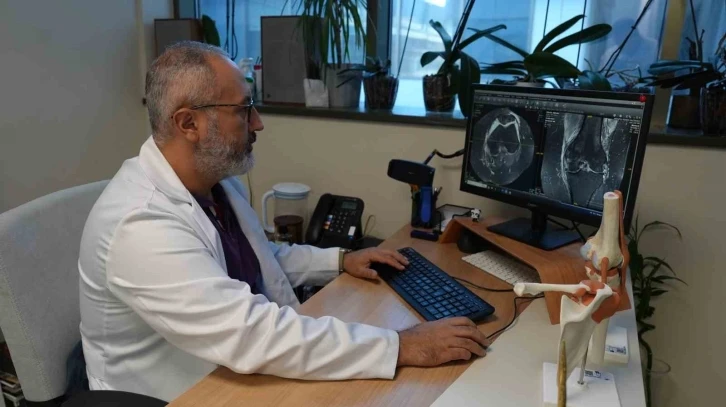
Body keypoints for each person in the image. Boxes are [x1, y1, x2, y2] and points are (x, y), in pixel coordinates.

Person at [78, 41, 490, 402]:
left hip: (228, 365)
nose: (258, 123)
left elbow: (260, 256)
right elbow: (248, 333)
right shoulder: (141, 225)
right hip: (176, 392)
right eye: (244, 110)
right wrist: (399, 346)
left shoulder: (214, 183)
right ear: (189, 124)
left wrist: (339, 260)